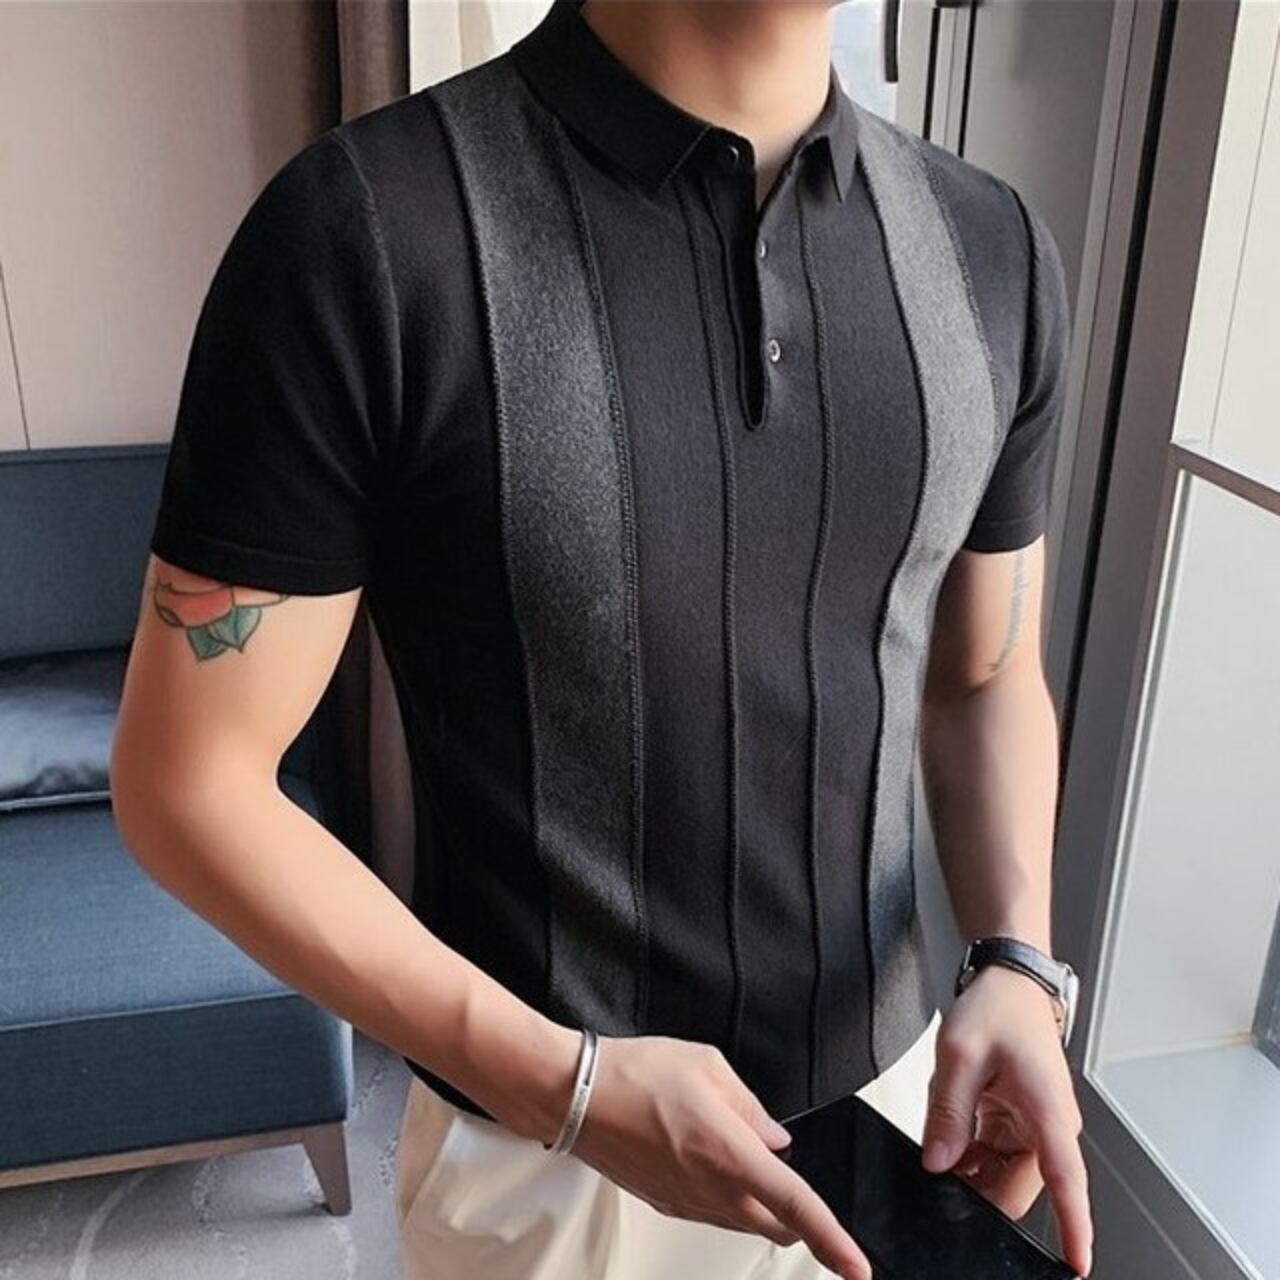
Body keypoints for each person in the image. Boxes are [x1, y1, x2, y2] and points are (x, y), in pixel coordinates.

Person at [110, 1, 1094, 1278]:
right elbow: (187, 781)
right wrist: (562, 1084)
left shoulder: (990, 249)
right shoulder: (362, 230)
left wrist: (1016, 959)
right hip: (548, 1158)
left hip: (899, 1117)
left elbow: (984, 670)